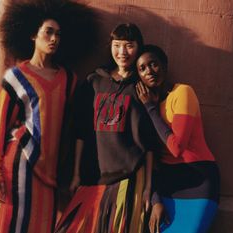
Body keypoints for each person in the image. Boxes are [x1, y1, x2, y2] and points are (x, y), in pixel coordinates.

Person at [0, 1, 97, 232]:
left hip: (51, 174)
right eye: (48, 32)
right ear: (34, 35)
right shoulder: (16, 77)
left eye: (58, 34)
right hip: (18, 166)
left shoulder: (68, 80)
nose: (54, 38)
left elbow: (74, 127)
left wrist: (73, 172)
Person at [55, 23, 157, 233]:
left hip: (127, 180)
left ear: (139, 47)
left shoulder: (141, 88)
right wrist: (76, 174)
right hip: (93, 176)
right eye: (117, 45)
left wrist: (148, 188)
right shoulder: (94, 82)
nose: (122, 52)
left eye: (129, 45)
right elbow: (81, 132)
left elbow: (149, 142)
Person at [135, 45, 220, 233]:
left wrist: (150, 108)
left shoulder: (182, 93)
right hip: (167, 186)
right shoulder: (148, 108)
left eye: (153, 64)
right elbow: (152, 160)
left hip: (198, 181)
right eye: (142, 68)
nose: (149, 71)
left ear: (164, 66)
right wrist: (156, 200)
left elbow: (177, 148)